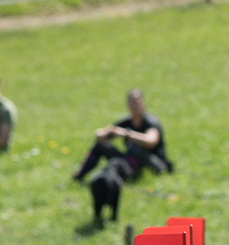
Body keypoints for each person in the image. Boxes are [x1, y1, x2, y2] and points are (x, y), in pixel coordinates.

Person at [72, 89, 173, 227]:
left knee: (135, 147)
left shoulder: (151, 122)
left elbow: (151, 141)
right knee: (101, 145)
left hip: (154, 164)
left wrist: (126, 134)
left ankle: (125, 175)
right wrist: (106, 134)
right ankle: (78, 176)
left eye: (137, 102)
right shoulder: (126, 121)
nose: (134, 105)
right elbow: (101, 133)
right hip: (130, 162)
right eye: (131, 102)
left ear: (143, 103)